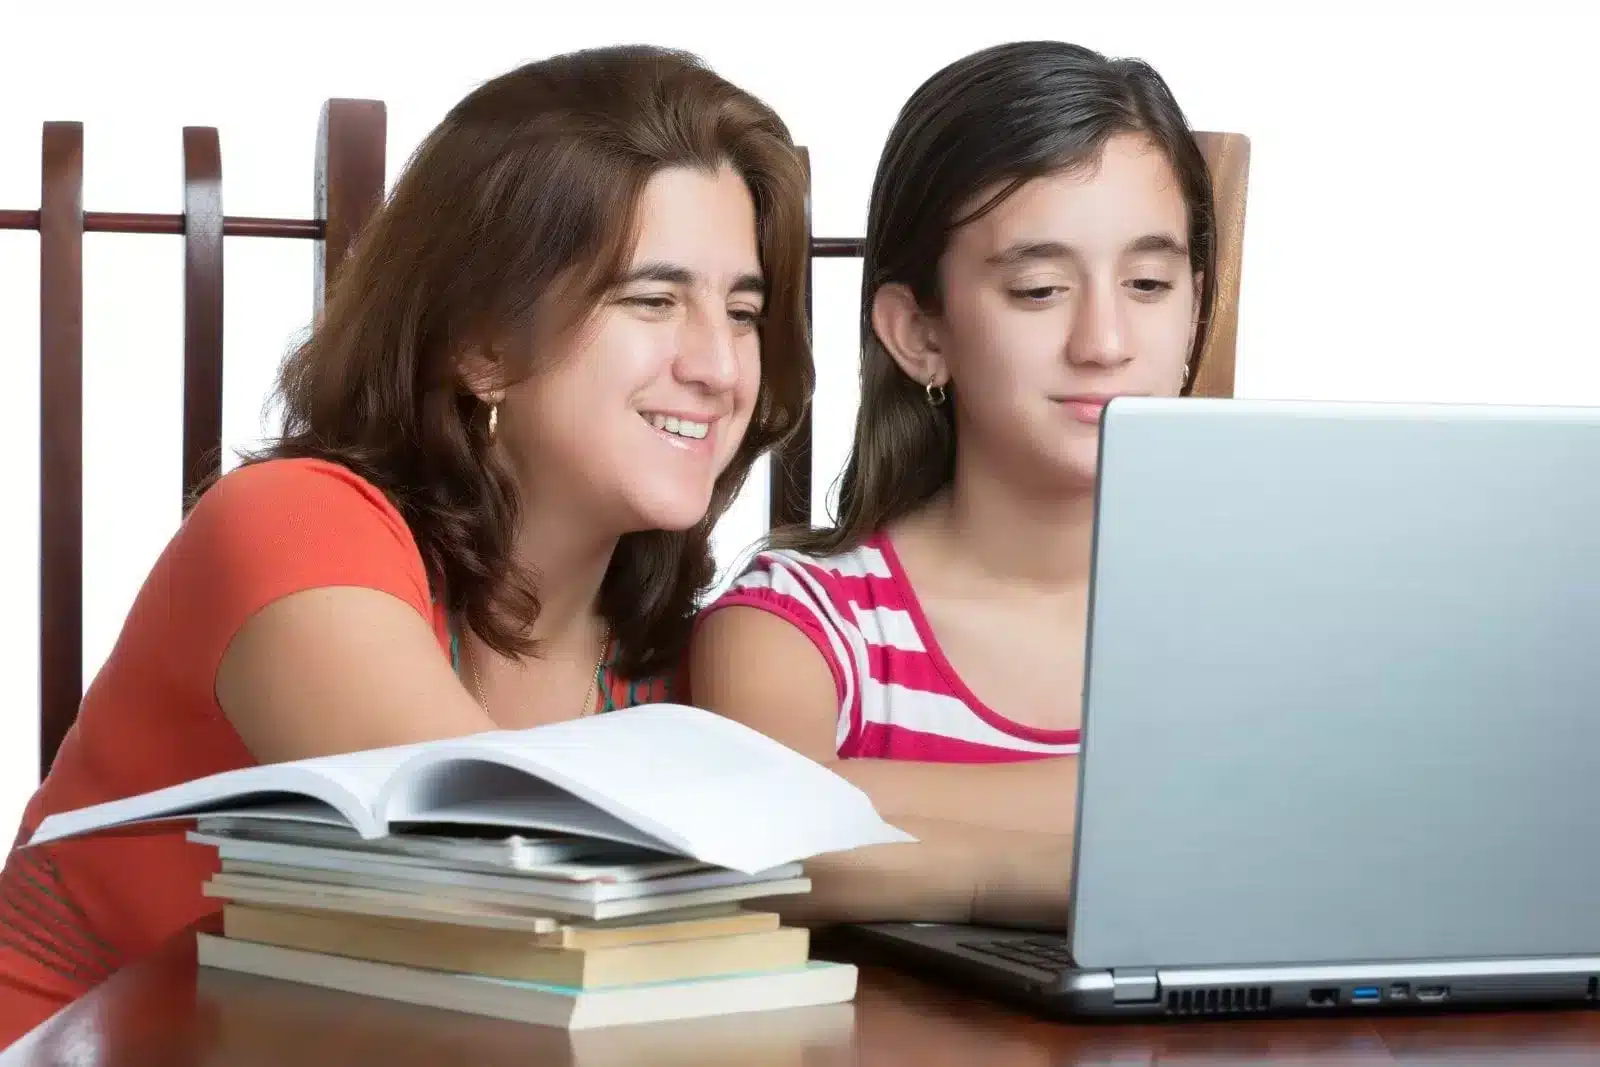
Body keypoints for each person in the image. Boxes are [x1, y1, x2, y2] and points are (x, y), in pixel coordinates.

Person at [0, 44, 812, 1042]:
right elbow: (497, 872)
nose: (721, 367)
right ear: (479, 343)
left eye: (742, 311)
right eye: (651, 300)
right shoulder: (291, 521)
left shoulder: (669, 645)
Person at [690, 40, 1218, 928]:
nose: (1106, 341)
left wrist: (856, 796)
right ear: (918, 333)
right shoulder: (801, 626)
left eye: (1149, 283)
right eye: (1040, 289)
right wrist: (1180, 793)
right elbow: (761, 838)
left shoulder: (1268, 620)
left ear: (1196, 302)